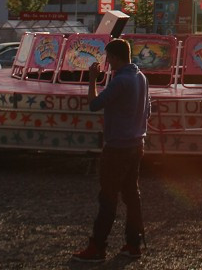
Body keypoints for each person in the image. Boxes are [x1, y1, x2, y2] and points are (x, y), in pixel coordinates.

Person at [72, 39, 151, 263]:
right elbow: (149, 109)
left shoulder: (120, 81)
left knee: (108, 197)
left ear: (115, 57)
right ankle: (133, 243)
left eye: (108, 58)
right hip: (136, 144)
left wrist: (91, 81)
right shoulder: (141, 77)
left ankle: (97, 247)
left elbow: (94, 104)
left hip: (117, 146)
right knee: (132, 196)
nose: (107, 62)